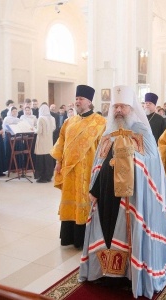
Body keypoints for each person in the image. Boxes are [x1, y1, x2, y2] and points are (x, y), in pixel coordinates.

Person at [79, 86, 166, 299]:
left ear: (131, 108)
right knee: (106, 228)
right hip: (106, 192)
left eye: (123, 106)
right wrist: (93, 189)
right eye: (115, 106)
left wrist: (129, 161)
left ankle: (127, 274)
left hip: (133, 195)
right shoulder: (108, 131)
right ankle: (105, 272)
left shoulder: (141, 130)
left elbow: (151, 163)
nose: (119, 110)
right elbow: (98, 163)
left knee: (127, 232)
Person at [50, 85, 106, 249]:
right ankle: (69, 237)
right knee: (71, 201)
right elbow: (61, 142)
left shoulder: (100, 122)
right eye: (76, 99)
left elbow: (105, 148)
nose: (77, 102)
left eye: (80, 99)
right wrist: (58, 161)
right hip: (70, 170)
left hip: (89, 169)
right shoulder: (69, 121)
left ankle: (85, 238)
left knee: (85, 200)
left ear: (89, 101)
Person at [34, 104, 56, 183]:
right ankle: (48, 176)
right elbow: (53, 128)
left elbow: (39, 131)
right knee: (48, 158)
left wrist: (33, 129)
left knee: (41, 158)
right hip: (49, 140)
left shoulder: (41, 119)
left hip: (42, 141)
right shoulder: (51, 118)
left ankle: (42, 177)